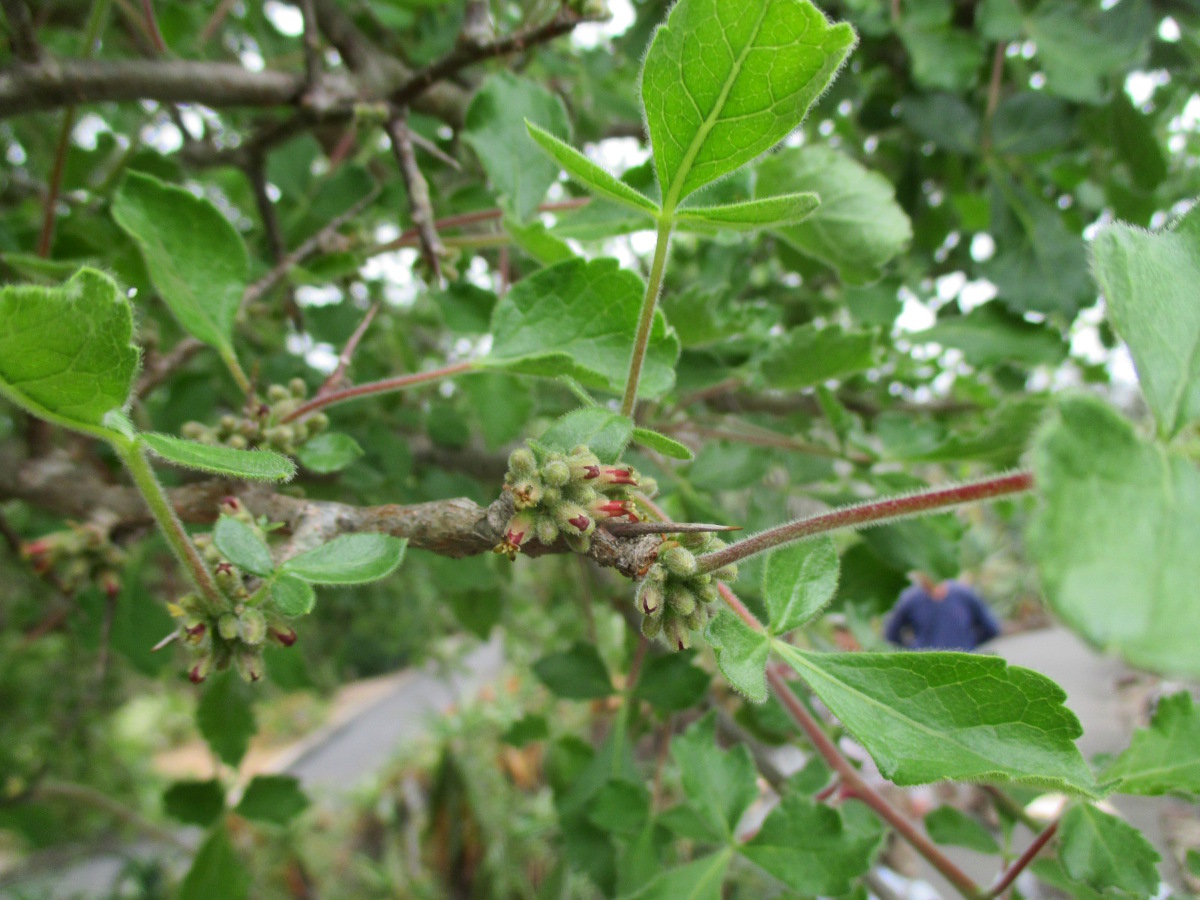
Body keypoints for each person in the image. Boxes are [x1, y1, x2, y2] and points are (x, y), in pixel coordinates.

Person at [885, 572, 1001, 651]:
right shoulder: (911, 600)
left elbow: (991, 628)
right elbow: (891, 634)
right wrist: (915, 650)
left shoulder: (963, 594)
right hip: (927, 668)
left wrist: (967, 643)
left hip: (962, 664)